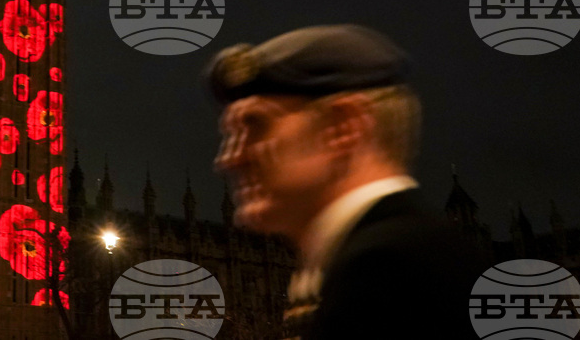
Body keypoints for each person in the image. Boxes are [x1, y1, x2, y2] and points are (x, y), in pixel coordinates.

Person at [205, 24, 489, 339]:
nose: (229, 158)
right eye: (231, 134)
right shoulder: (350, 263)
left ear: (343, 129)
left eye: (256, 127)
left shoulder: (389, 271)